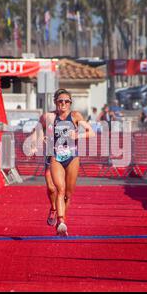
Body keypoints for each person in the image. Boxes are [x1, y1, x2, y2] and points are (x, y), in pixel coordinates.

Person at [31, 89, 95, 236]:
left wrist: (77, 134)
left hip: (72, 157)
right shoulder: (49, 117)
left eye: (66, 101)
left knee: (68, 194)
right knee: (57, 189)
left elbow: (91, 132)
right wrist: (35, 144)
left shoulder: (76, 116)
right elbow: (37, 132)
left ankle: (62, 220)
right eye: (60, 101)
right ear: (55, 102)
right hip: (55, 156)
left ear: (70, 103)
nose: (63, 104)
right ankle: (60, 221)